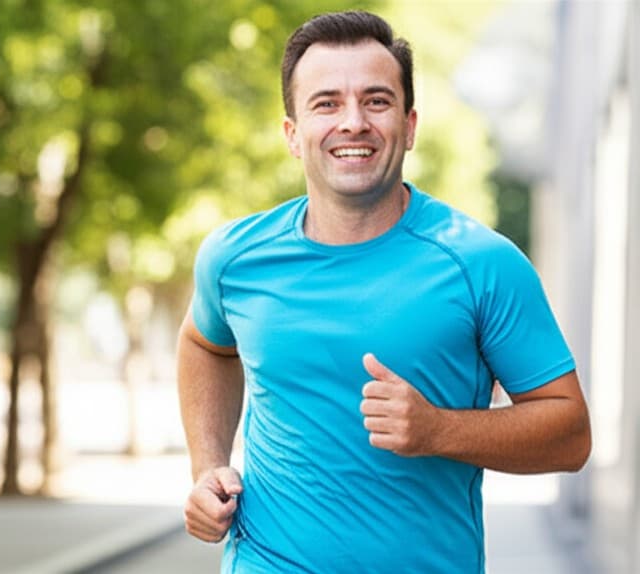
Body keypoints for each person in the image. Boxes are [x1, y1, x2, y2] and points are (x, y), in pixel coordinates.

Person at [177, 10, 591, 573]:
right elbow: (205, 344)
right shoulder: (235, 258)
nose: (353, 122)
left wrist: (437, 429)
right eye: (326, 103)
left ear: (410, 125)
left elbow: (569, 434)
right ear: (293, 135)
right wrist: (207, 467)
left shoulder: (481, 263)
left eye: (376, 101)